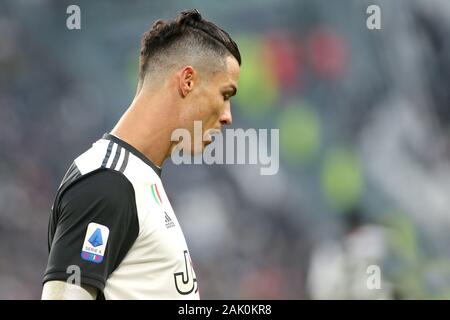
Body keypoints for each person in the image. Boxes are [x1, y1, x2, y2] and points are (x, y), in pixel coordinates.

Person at [41, 9, 241, 300]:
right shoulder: (106, 183)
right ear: (187, 81)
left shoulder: (137, 179)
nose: (227, 117)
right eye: (225, 95)